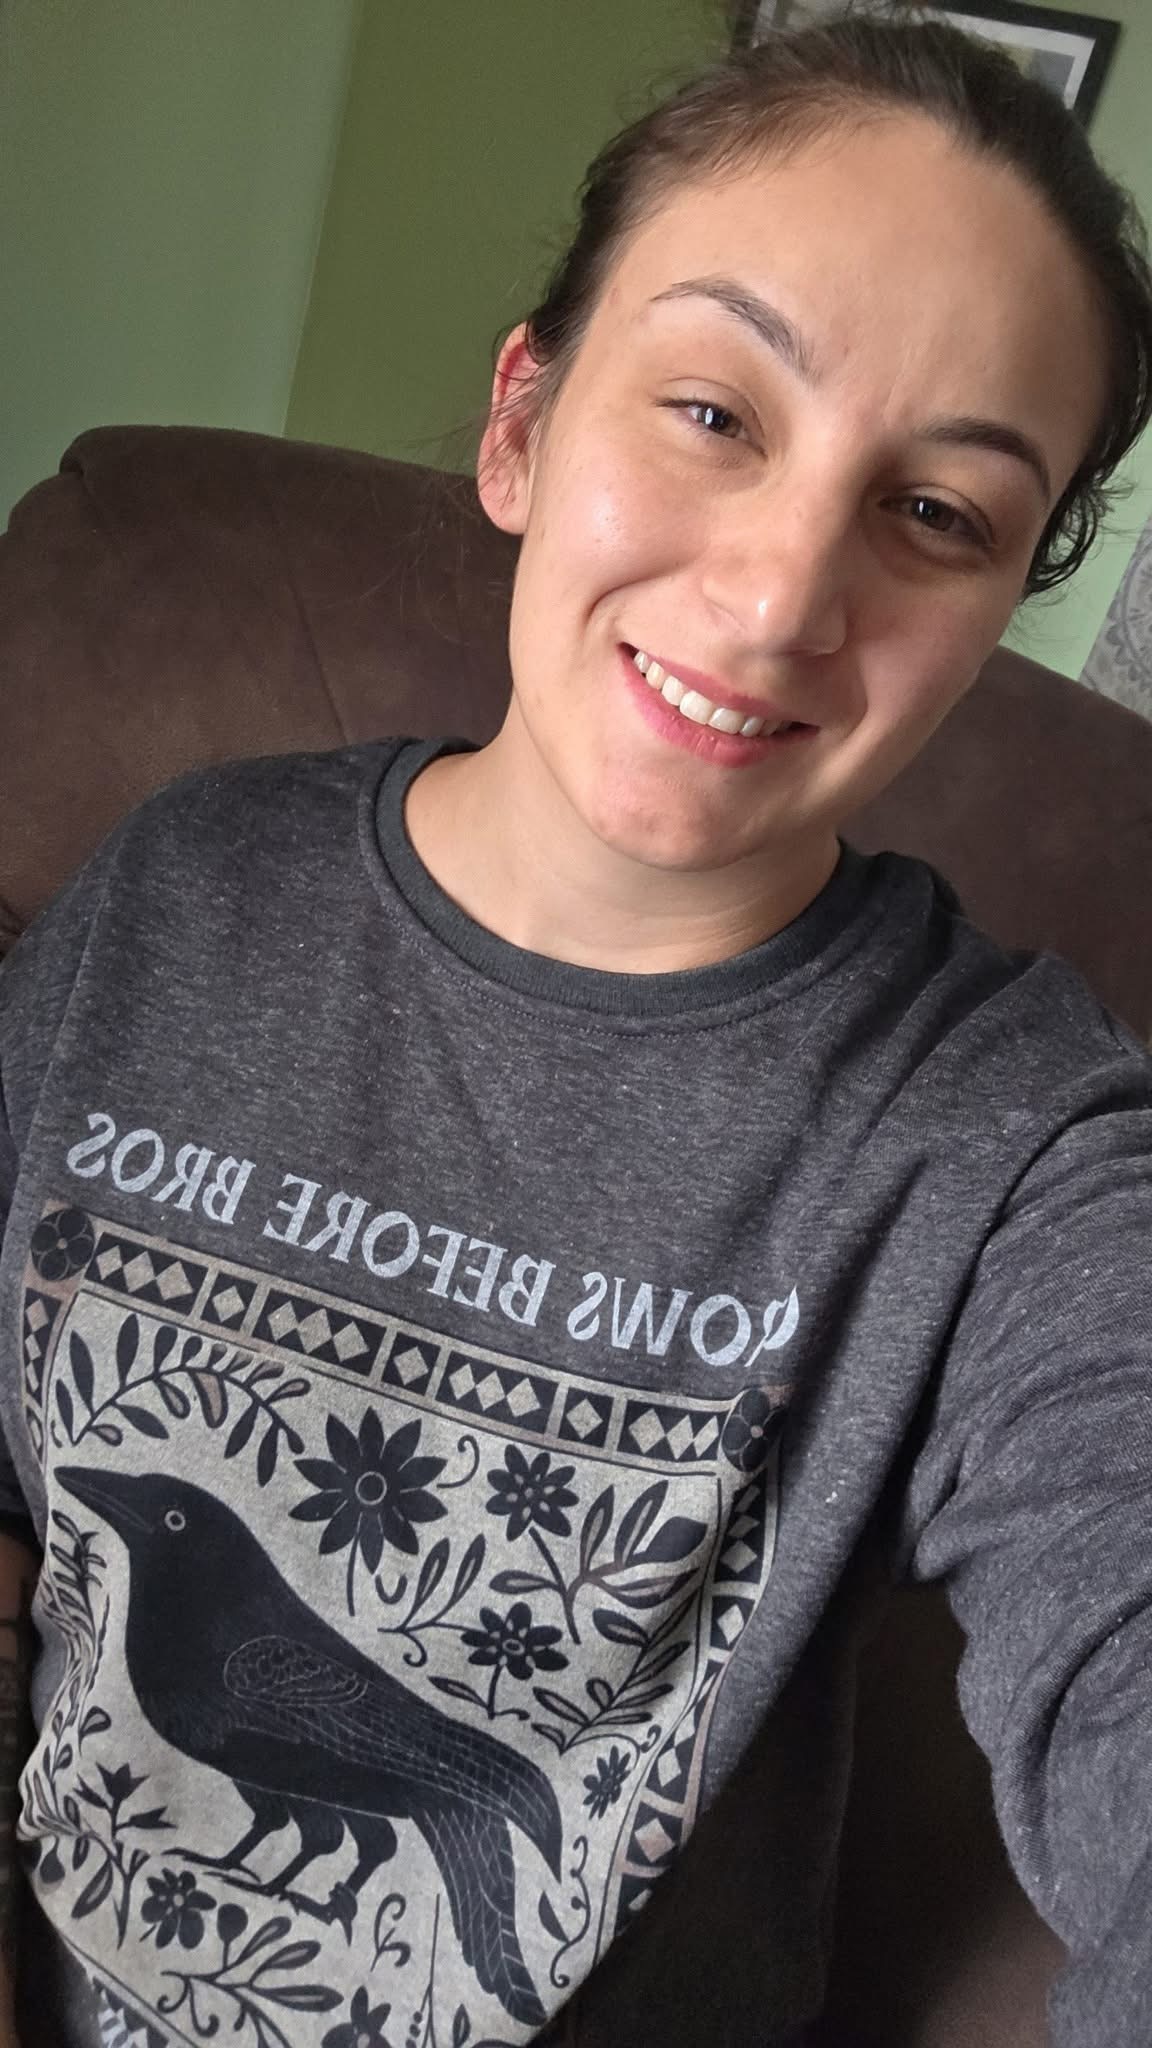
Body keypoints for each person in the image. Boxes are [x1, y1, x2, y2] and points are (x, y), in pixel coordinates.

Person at [2, 13, 1151, 2046]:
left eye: (937, 515)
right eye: (714, 410)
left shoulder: (1018, 1152)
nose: (780, 596)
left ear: (999, 613)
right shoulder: (177, 890)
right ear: (523, 423)